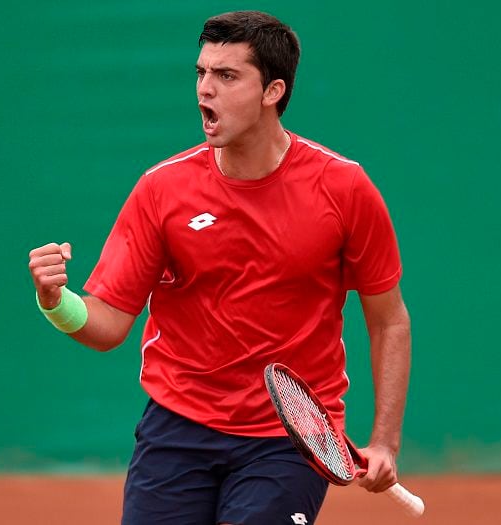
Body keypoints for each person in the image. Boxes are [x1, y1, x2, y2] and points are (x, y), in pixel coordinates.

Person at [28, 10, 411, 525]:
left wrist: (385, 441)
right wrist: (55, 302)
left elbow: (388, 319)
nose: (204, 90)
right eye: (201, 73)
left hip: (286, 438)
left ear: (272, 91)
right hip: (176, 428)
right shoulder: (162, 189)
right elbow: (108, 325)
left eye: (226, 76)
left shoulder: (344, 189)